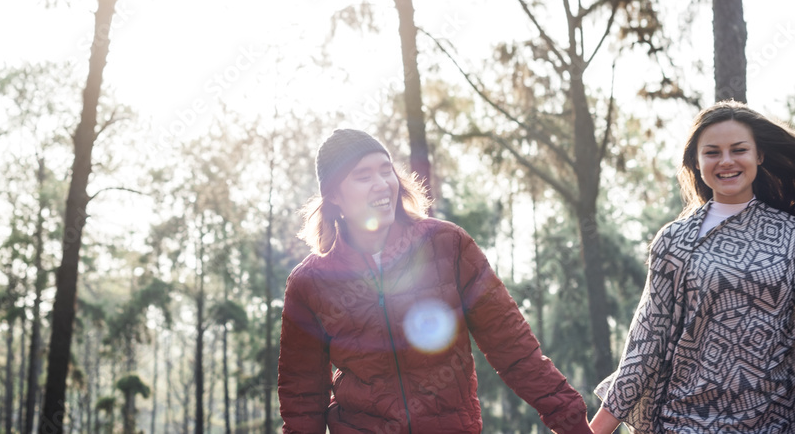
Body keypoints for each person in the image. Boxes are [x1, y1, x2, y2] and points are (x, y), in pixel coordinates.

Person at [278, 128, 592, 434]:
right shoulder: (310, 283)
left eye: (386, 171)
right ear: (333, 195)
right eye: (363, 176)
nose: (382, 184)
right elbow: (302, 398)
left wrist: (572, 422)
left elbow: (513, 347)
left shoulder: (447, 244)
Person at [590, 101, 795, 433]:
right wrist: (595, 429)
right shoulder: (674, 240)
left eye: (738, 150)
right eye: (712, 152)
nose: (726, 161)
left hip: (773, 422)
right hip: (684, 422)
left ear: (759, 155)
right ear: (696, 162)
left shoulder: (790, 234)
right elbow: (647, 341)